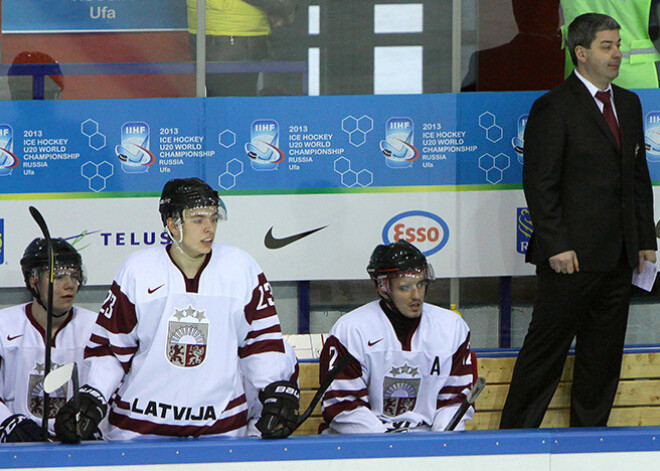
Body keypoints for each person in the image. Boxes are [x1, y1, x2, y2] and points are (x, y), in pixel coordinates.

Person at [499, 13, 657, 429]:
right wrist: (556, 245)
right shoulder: (553, 106)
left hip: (620, 256)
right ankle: (513, 440)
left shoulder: (629, 103)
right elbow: (540, 184)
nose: (618, 54)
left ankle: (590, 440)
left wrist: (646, 240)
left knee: (602, 357)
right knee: (545, 354)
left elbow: (637, 178)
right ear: (581, 52)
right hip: (569, 259)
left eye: (618, 45)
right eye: (608, 46)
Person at [55, 177, 300, 441]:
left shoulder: (241, 269)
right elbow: (112, 348)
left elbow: (260, 343)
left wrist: (273, 389)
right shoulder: (139, 270)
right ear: (172, 224)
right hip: (140, 430)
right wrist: (95, 395)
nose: (209, 229)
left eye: (214, 218)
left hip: (220, 431)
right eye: (198, 220)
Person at [318, 240, 477, 434]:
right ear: (381, 287)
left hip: (425, 443)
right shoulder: (351, 330)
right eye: (405, 287)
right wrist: (389, 446)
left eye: (421, 284)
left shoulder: (452, 327)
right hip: (362, 446)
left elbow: (455, 400)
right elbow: (343, 406)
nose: (416, 295)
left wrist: (439, 443)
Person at [0, 238, 95, 442]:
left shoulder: (95, 327)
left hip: (77, 448)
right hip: (17, 449)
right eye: (58, 276)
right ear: (33, 280)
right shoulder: (3, 325)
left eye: (74, 275)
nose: (70, 285)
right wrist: (6, 422)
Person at [186, 0, 296, 97]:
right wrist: (281, 6)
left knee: (225, 103)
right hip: (232, 33)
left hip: (224, 31)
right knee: (234, 105)